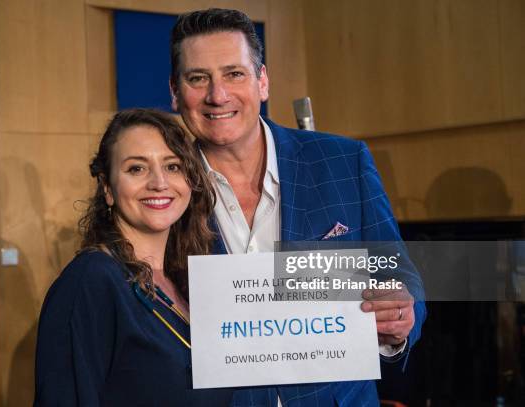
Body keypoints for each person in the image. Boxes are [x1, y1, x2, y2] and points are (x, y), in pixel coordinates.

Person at [168, 8, 426, 406]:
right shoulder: (163, 188)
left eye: (234, 73)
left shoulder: (343, 161)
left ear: (263, 81)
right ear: (175, 91)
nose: (217, 95)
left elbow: (398, 274)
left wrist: (401, 319)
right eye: (197, 78)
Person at [34, 109, 233, 406]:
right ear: (107, 187)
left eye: (173, 166)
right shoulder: (90, 281)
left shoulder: (187, 281)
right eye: (137, 169)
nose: (159, 183)